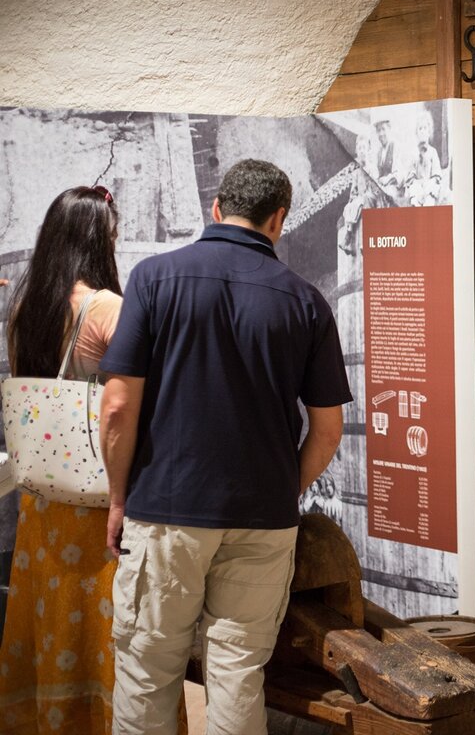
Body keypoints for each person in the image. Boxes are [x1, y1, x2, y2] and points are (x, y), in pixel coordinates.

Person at [99, 159, 352, 735]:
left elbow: (117, 407)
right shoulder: (307, 302)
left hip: (165, 510)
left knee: (147, 670)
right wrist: (281, 490)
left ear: (215, 209)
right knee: (239, 673)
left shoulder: (155, 278)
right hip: (263, 518)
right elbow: (328, 430)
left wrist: (118, 499)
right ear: (279, 219)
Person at [0, 186, 179, 734]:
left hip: (42, 501)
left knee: (51, 622)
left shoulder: (27, 308)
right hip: (98, 500)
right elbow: (136, 398)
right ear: (100, 239)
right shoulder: (105, 308)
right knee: (109, 630)